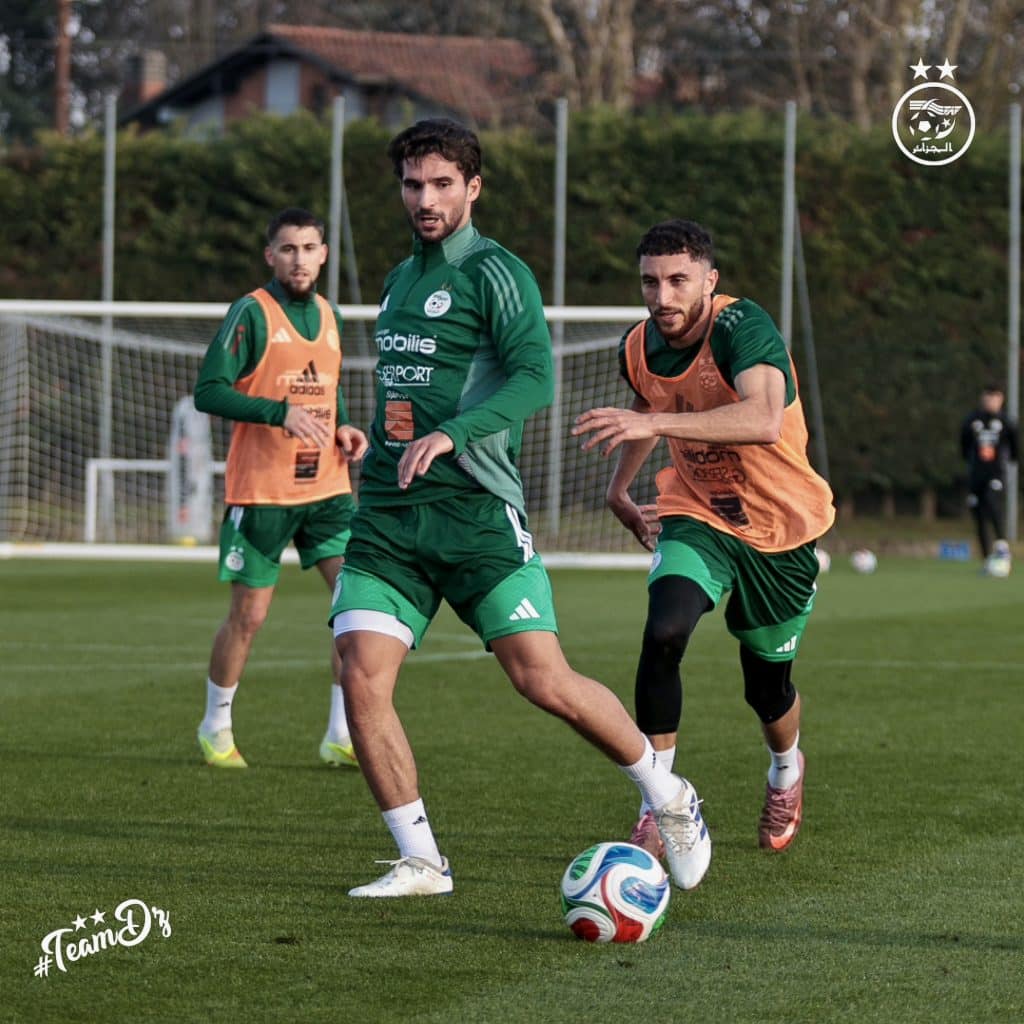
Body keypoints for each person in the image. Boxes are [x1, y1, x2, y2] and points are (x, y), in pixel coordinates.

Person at [328, 119, 705, 898]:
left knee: (543, 681)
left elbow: (536, 379)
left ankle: (668, 794)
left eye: (440, 184)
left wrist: (452, 435)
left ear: (473, 187)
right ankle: (422, 861)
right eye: (412, 184)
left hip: (475, 510)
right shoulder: (401, 278)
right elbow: (405, 387)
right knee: (360, 675)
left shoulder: (497, 272)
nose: (425, 199)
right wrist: (378, 439)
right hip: (390, 517)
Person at [572, 219, 835, 857]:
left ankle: (786, 770)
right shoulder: (637, 344)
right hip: (695, 512)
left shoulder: (743, 328)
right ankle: (659, 803)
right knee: (665, 632)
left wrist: (657, 419)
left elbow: (764, 418)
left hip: (780, 527)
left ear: (709, 282)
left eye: (678, 280)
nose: (662, 296)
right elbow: (645, 414)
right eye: (650, 281)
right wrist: (618, 490)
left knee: (766, 689)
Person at [193, 207, 368, 769]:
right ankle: (216, 726)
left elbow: (328, 388)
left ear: (323, 254)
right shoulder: (252, 313)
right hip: (263, 493)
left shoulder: (330, 314)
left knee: (356, 610)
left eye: (309, 247)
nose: (299, 258)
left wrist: (342, 425)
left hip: (328, 490)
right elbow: (209, 391)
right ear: (271, 255)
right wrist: (278, 413)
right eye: (287, 249)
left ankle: (340, 734)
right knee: (249, 618)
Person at [960, 385, 1017, 575]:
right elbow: (964, 445)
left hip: (996, 474)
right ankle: (987, 561)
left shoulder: (1006, 422)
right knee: (979, 516)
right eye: (987, 397)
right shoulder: (971, 420)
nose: (990, 401)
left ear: (1001, 399)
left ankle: (1002, 547)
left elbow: (1016, 448)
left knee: (992, 502)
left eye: (994, 397)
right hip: (976, 475)